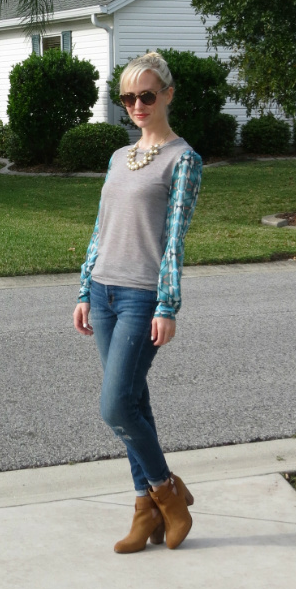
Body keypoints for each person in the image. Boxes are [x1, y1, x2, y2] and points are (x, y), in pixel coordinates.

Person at [73, 51, 202, 554]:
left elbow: (175, 239)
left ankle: (169, 495)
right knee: (132, 401)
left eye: (147, 95)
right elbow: (99, 231)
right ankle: (145, 510)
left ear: (168, 94)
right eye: (128, 97)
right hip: (104, 292)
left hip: (142, 296)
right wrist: (85, 289)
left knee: (115, 405)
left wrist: (167, 305)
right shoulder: (117, 157)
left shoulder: (183, 160)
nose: (137, 105)